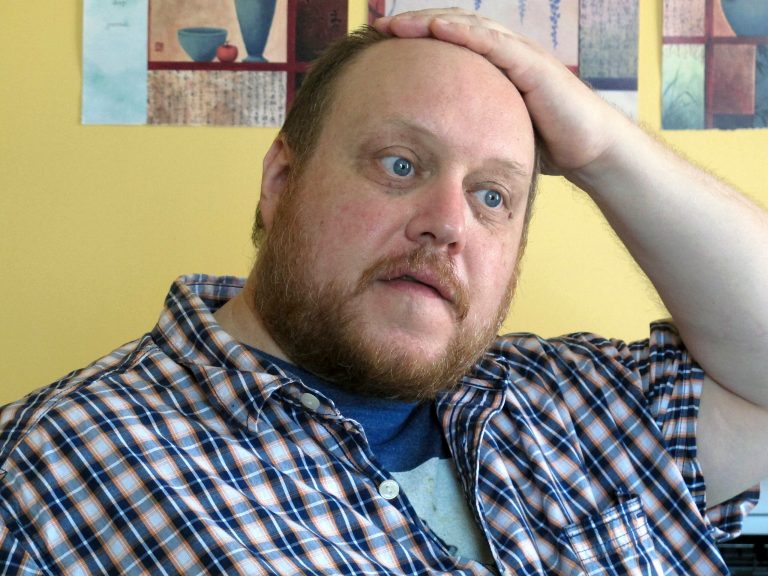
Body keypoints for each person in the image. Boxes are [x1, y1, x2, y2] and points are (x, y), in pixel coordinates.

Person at [1, 7, 767, 574]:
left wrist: (602, 147)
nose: (449, 224)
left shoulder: (579, 407)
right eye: (401, 165)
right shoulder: (45, 472)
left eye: (492, 197)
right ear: (281, 181)